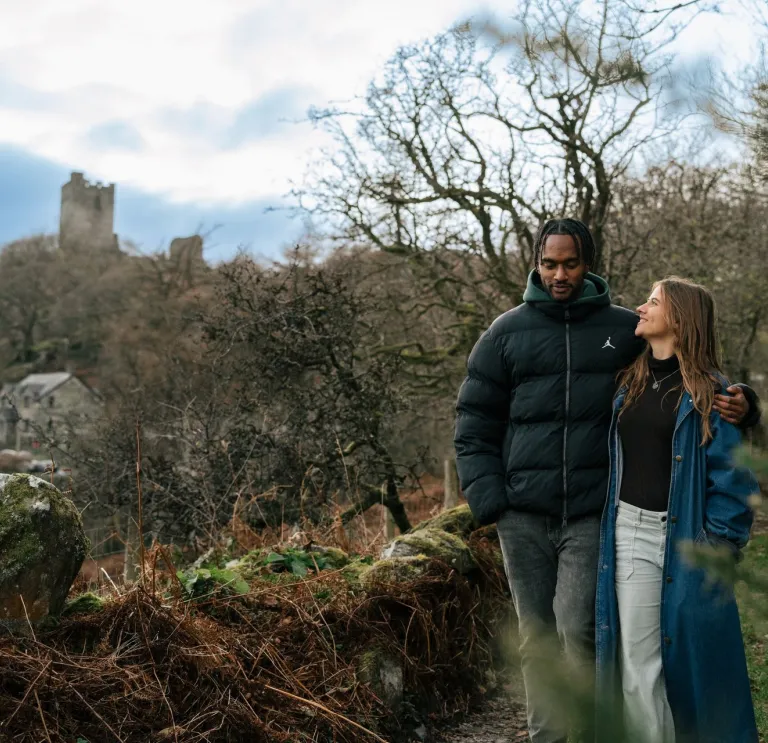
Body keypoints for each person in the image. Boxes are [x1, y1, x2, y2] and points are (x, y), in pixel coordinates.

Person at [453, 218, 759, 743]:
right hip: (522, 515)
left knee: (584, 633)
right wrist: (489, 499)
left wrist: (745, 402)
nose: (559, 274)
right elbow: (473, 420)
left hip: (595, 514)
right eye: (549, 264)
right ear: (536, 262)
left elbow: (688, 371)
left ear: (587, 263)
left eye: (570, 263)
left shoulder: (623, 329)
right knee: (538, 640)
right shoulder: (505, 332)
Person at [595, 277, 758, 743]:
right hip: (629, 533)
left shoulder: (712, 393)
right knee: (638, 663)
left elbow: (733, 478)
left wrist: (716, 545)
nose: (641, 309)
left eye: (653, 302)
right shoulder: (630, 377)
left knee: (689, 664)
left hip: (686, 539)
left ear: (680, 318)